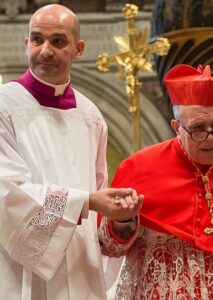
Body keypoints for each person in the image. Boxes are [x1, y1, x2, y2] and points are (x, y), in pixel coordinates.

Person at [98, 64, 213, 299]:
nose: (210, 138)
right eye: (198, 129)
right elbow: (108, 246)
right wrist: (123, 220)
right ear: (177, 127)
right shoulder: (138, 168)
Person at [0, 4, 142, 300]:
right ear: (26, 44)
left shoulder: (91, 117)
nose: (45, 50)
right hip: (18, 271)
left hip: (81, 267)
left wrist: (119, 219)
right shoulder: (5, 106)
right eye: (37, 40)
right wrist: (88, 202)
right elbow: (8, 194)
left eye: (58, 41)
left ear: (78, 49)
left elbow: (101, 198)